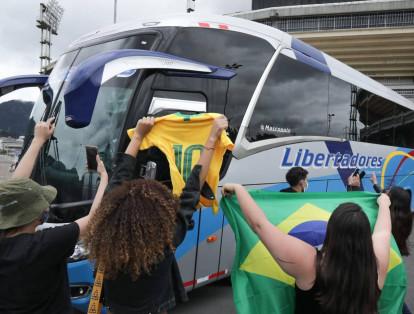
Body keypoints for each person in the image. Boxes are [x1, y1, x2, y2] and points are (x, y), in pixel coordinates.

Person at [85, 115, 228, 314]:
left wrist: (137, 136)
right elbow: (193, 188)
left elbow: (119, 179)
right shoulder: (167, 236)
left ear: (115, 207)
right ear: (160, 213)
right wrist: (212, 138)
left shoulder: (106, 225)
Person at [222, 183, 392, 314]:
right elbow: (383, 231)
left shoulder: (309, 263)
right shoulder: (378, 265)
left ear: (331, 230)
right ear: (364, 236)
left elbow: (260, 225)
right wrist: (384, 204)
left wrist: (239, 189)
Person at [0, 118, 108, 314]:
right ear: (36, 216)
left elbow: (15, 190)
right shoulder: (44, 245)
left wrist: (38, 140)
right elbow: (94, 219)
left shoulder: (10, 239)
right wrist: (104, 178)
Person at [348, 172, 413, 314]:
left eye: (387, 193)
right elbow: (382, 195)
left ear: (390, 202)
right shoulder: (404, 217)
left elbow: (359, 211)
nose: (383, 193)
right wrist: (373, 183)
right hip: (393, 270)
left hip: (377, 269)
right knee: (396, 301)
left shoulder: (381, 222)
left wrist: (352, 189)